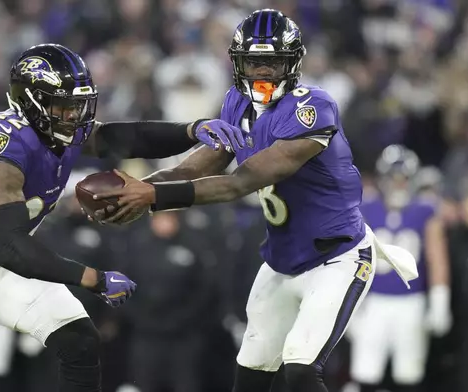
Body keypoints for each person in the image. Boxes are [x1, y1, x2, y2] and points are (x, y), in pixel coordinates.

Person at [0, 43, 244, 392]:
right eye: (63, 105)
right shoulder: (2, 147)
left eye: (78, 104)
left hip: (3, 267)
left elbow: (123, 137)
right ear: (30, 102)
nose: (74, 115)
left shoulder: (61, 130)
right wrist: (92, 278)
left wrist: (192, 129)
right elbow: (10, 247)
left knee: (79, 340)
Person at [89, 10, 417, 392]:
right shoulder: (237, 104)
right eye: (252, 62)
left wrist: (153, 196)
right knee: (251, 375)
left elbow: (241, 182)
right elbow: (201, 164)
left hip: (337, 258)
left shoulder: (312, 108)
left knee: (301, 367)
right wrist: (140, 191)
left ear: (291, 64)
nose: (261, 72)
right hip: (280, 262)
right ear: (236, 63)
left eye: (272, 62)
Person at [349, 145, 451, 392]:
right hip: (373, 302)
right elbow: (352, 258)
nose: (398, 185)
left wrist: (439, 301)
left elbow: (437, 258)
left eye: (403, 179)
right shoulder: (366, 209)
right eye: (393, 178)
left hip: (411, 302)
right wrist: (351, 303)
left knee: (409, 373)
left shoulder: (425, 211)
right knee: (365, 371)